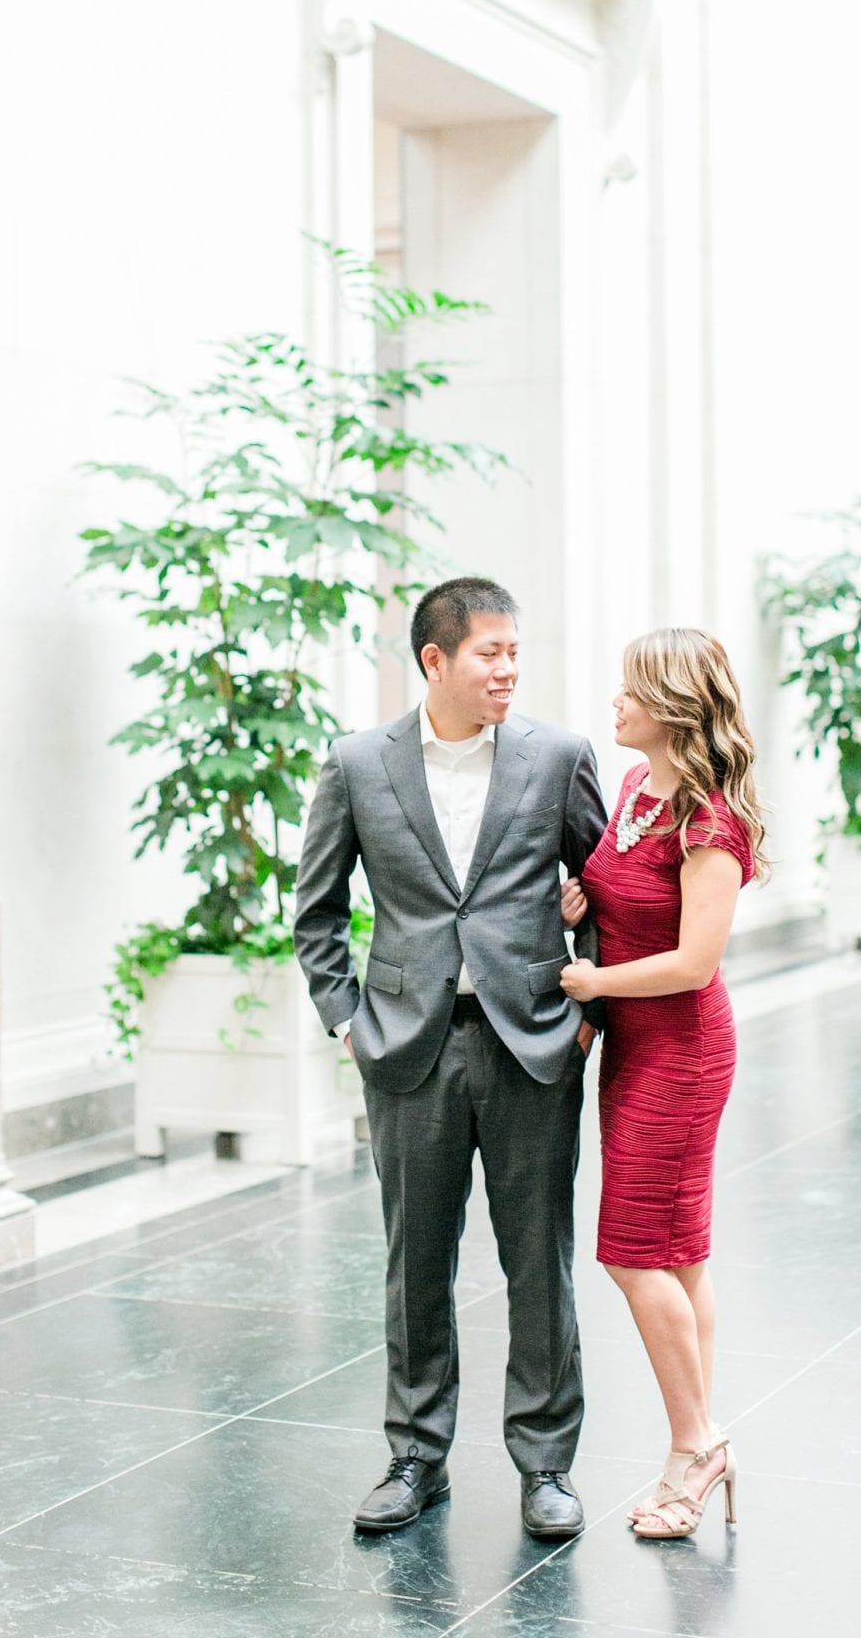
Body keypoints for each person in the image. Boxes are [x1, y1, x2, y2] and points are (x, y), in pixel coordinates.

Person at [294, 577, 608, 1539]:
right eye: (489, 652)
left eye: (515, 650)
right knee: (413, 1261)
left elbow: (607, 885)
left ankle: (545, 1464)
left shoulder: (557, 755)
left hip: (530, 1044)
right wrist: (346, 1019)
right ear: (433, 660)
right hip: (407, 1051)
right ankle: (415, 1456)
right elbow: (315, 913)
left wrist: (588, 996)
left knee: (536, 1260)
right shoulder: (357, 763)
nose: (508, 667)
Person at [559, 627, 768, 1540]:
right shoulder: (640, 791)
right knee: (679, 1251)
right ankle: (696, 1442)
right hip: (633, 1048)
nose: (615, 704)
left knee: (631, 1250)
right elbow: (622, 894)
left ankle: (696, 1443)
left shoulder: (709, 821)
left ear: (672, 706)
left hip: (679, 1054)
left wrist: (594, 984)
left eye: (629, 692)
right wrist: (584, 902)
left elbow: (692, 962)